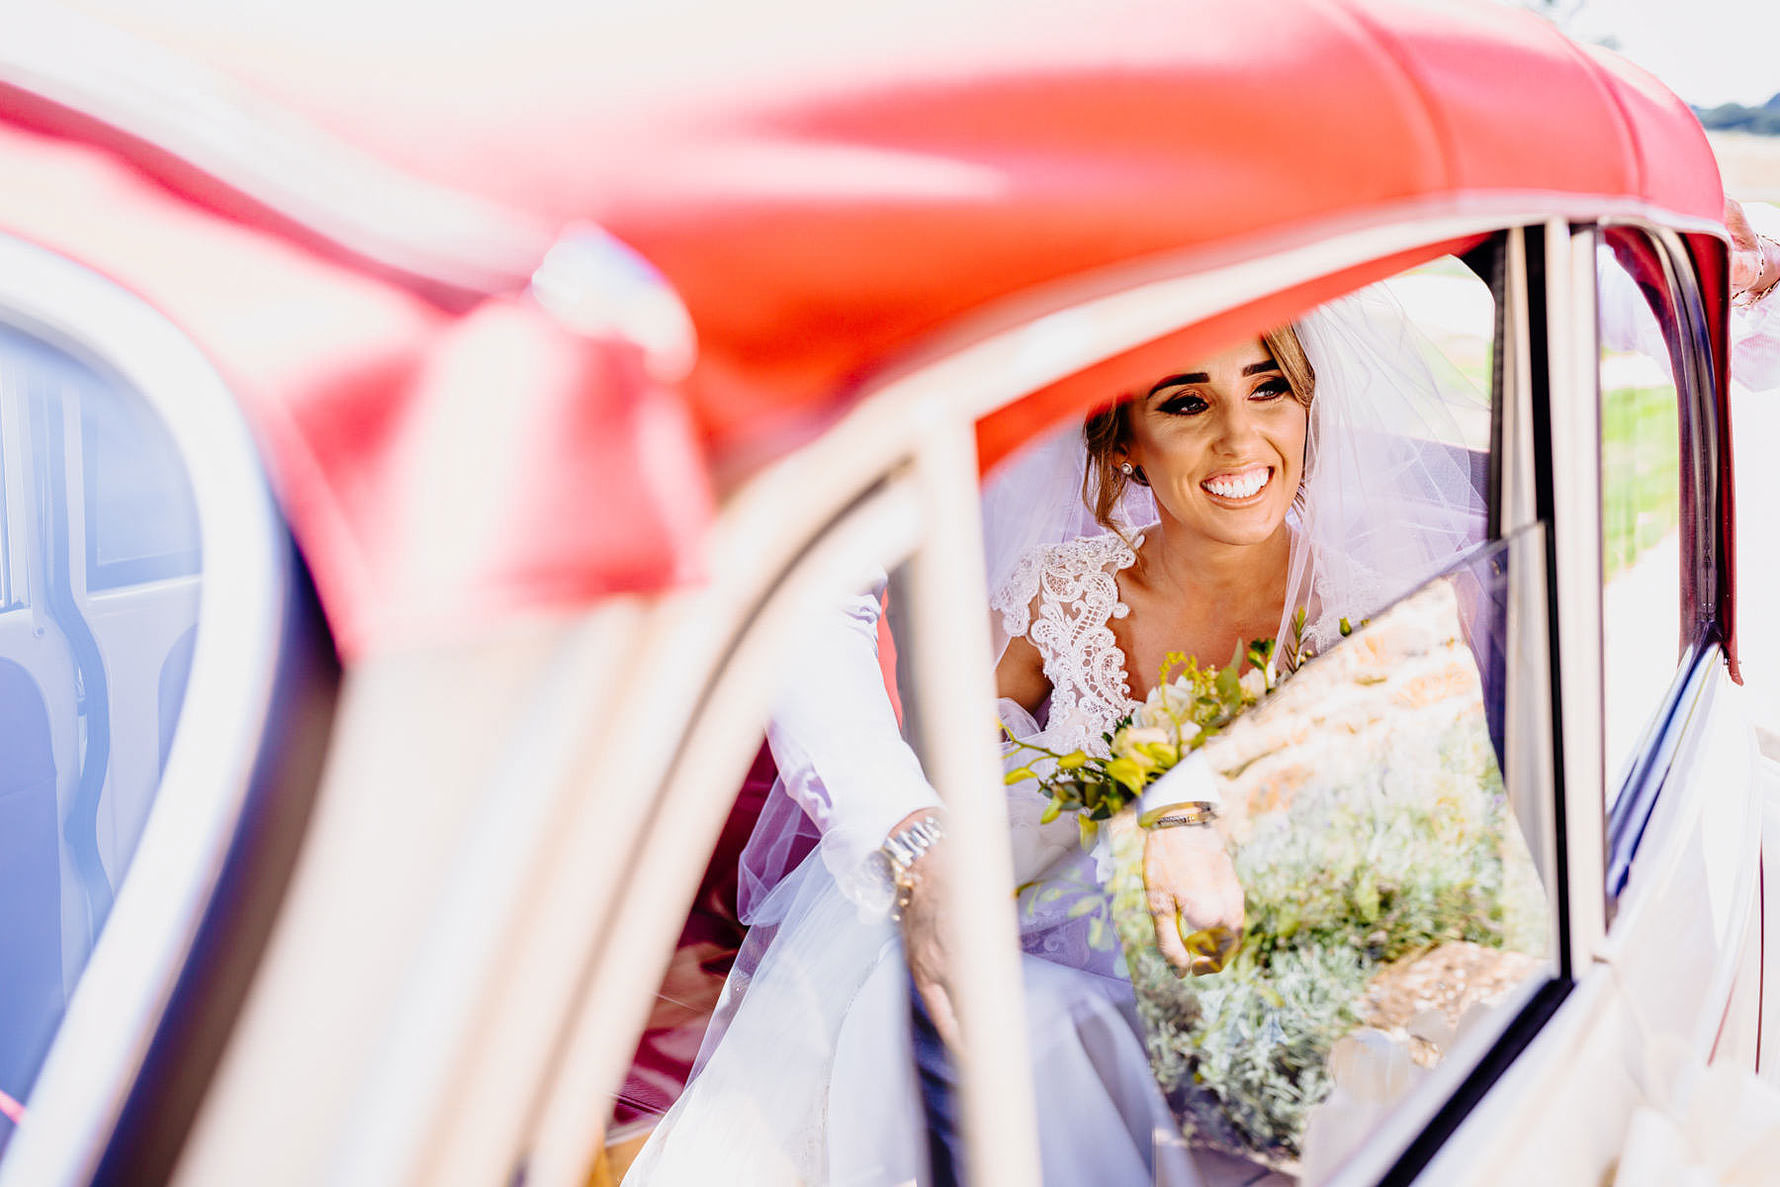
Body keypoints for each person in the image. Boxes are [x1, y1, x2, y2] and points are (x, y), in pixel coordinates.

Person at [624, 280, 1494, 1186]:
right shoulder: (1064, 599)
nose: (1240, 438)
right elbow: (960, 777)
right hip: (1053, 1001)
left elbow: (1429, 873)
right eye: (1187, 401)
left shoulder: (1372, 620)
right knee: (963, 1016)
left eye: (1269, 386)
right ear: (1124, 443)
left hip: (1260, 1033)